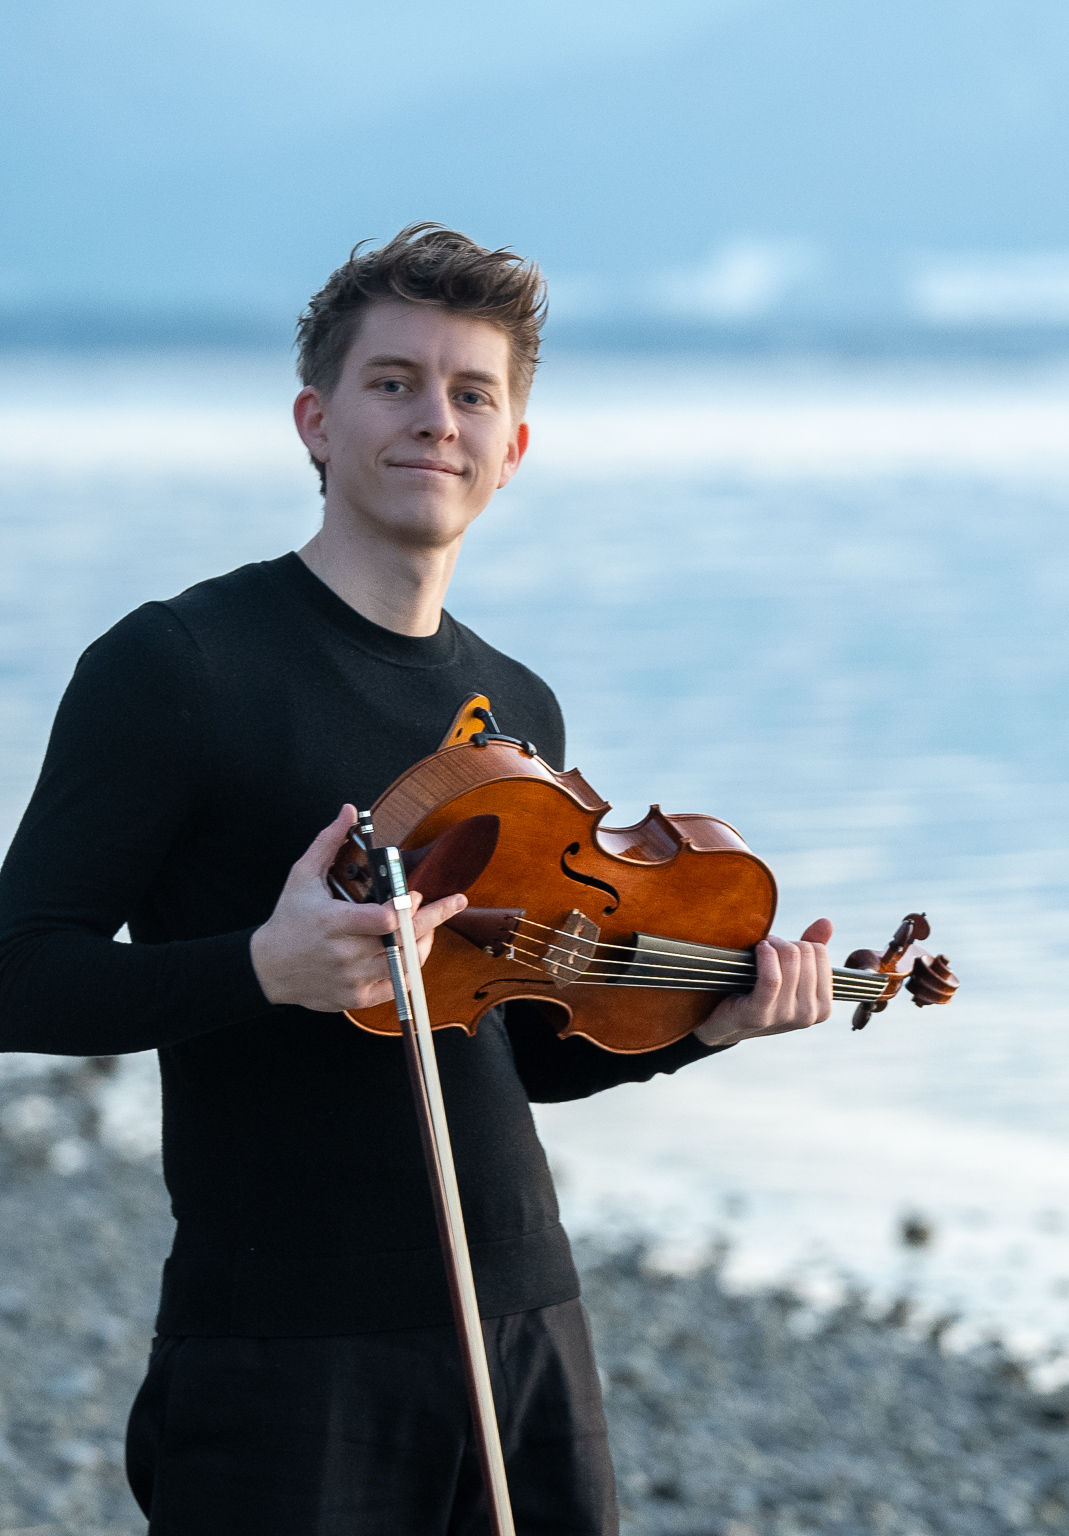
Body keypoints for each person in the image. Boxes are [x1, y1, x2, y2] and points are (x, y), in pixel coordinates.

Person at [0, 225, 837, 1535]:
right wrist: (259, 969)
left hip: (523, 1317)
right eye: (393, 382)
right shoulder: (179, 666)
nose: (432, 419)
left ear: (513, 449)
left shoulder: (518, 717)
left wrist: (705, 1025)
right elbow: (18, 973)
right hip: (284, 1343)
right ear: (314, 420)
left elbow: (522, 1044)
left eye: (471, 392)